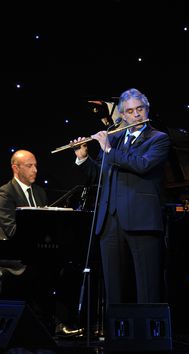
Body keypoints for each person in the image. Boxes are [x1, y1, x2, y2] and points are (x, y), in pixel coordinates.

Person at [70, 88, 171, 309]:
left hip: (141, 221)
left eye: (140, 109)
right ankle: (116, 339)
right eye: (130, 111)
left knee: (147, 287)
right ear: (122, 115)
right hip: (110, 221)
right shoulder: (115, 139)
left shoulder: (158, 139)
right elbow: (101, 174)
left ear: (147, 110)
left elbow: (142, 165)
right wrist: (84, 158)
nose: (136, 115)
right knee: (114, 289)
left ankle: (150, 339)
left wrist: (107, 148)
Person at [0, 149, 81, 337]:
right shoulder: (5, 193)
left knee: (67, 266)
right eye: (30, 166)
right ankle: (50, 323)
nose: (35, 170)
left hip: (36, 251)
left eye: (35, 165)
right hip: (14, 255)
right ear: (15, 168)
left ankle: (55, 322)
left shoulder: (39, 192)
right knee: (44, 268)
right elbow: (12, 231)